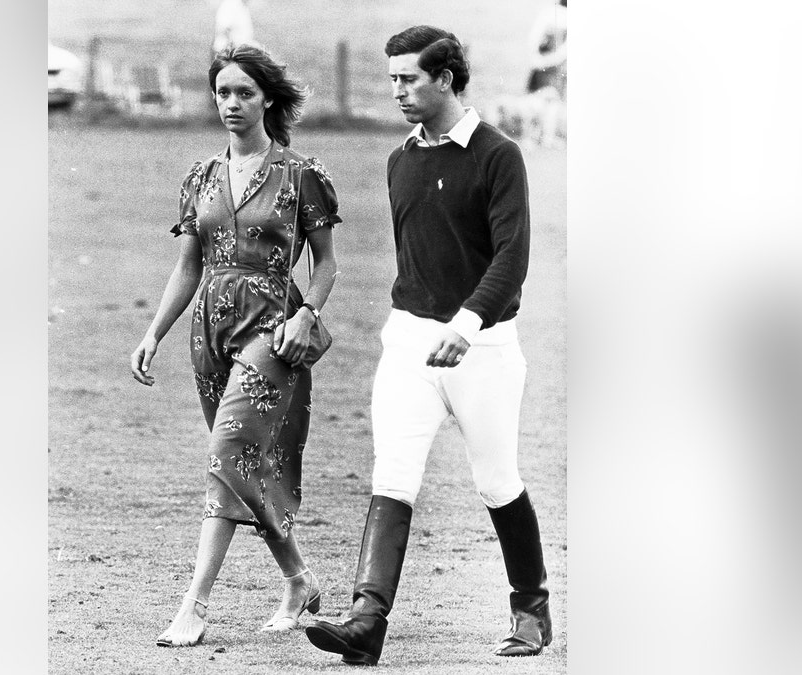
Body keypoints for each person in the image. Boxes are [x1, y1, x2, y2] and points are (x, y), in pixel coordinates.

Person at [304, 25, 551, 665]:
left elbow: (511, 258)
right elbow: (421, 262)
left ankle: (531, 612)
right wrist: (418, 329)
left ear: (445, 78)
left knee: (496, 480)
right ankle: (366, 622)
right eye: (392, 79)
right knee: (393, 475)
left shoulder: (499, 156)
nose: (397, 92)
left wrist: (466, 326)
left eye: (409, 78)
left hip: (485, 347)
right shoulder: (400, 161)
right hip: (409, 341)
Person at [130, 44, 341, 647]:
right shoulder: (200, 176)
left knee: (226, 451)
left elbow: (325, 265)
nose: (231, 103)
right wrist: (153, 332)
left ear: (267, 98)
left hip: (275, 331)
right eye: (222, 92)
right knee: (242, 464)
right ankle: (299, 579)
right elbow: (188, 266)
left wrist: (308, 313)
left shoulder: (304, 176)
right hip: (209, 330)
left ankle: (193, 605)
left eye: (244, 92)